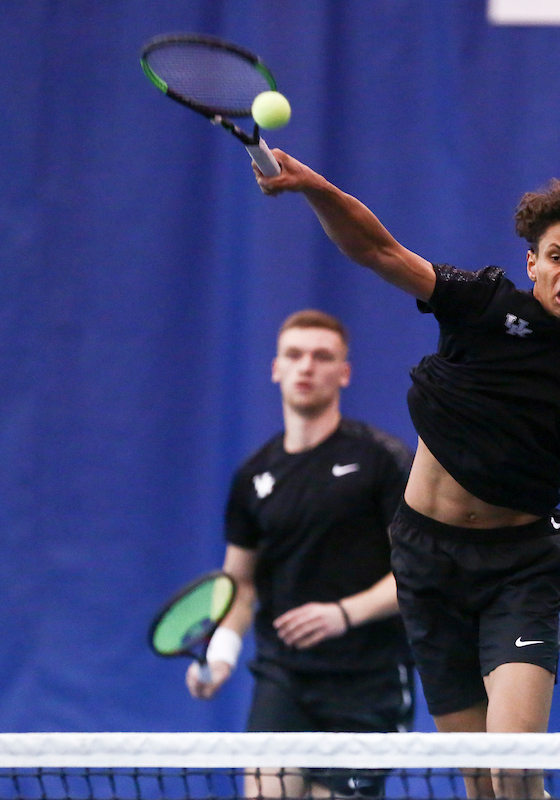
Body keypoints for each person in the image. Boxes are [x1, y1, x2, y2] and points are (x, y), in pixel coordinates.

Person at [256, 154, 560, 800]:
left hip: (522, 568)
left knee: (511, 770)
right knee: (480, 784)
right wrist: (314, 186)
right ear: (532, 262)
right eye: (556, 256)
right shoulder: (481, 304)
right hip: (426, 565)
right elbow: (376, 249)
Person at [187, 309, 415, 800]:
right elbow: (240, 583)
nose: (306, 367)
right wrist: (222, 654)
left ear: (344, 372)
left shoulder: (384, 460)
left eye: (322, 356)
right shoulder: (253, 477)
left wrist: (343, 614)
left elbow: (418, 573)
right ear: (276, 368)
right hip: (284, 678)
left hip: (368, 679)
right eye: (294, 355)